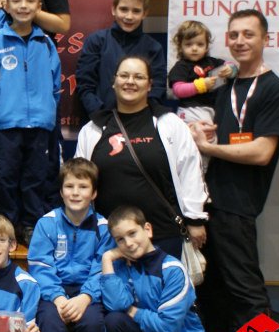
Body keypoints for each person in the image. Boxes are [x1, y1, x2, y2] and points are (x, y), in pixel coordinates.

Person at [188, 9, 279, 332]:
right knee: (212, 282)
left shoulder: (274, 89)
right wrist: (204, 131)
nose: (240, 41)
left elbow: (262, 151)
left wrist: (210, 147)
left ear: (265, 39)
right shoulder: (226, 84)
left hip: (239, 202)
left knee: (245, 286)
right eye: (233, 35)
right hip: (209, 198)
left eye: (249, 34)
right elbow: (226, 132)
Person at [74, 55, 208, 260]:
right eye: (124, 76)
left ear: (150, 85)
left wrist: (195, 219)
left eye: (138, 77)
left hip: (163, 236)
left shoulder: (169, 124)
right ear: (114, 82)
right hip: (109, 240)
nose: (130, 81)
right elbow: (79, 180)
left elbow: (190, 172)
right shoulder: (93, 129)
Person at [27, 158, 115, 332]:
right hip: (54, 292)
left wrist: (86, 297)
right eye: (69, 186)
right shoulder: (47, 223)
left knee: (92, 325)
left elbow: (103, 267)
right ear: (61, 191)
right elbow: (40, 265)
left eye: (83, 186)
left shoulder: (104, 227)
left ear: (94, 193)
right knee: (50, 325)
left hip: (89, 293)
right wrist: (57, 297)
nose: (75, 192)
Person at [0, 0, 61, 243]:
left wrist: (46, 111)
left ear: (39, 6)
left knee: (35, 176)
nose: (23, 6)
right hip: (7, 123)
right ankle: (8, 224)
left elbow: (55, 84)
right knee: (6, 176)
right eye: (16, 1)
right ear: (7, 5)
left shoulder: (45, 43)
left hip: (40, 123)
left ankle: (30, 224)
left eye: (30, 1)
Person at [75, 0, 165, 117]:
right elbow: (85, 85)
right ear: (113, 9)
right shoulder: (96, 41)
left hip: (140, 122)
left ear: (145, 13)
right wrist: (100, 115)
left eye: (136, 11)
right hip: (100, 119)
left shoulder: (153, 48)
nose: (129, 16)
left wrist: (142, 118)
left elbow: (157, 88)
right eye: (123, 9)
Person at [168, 20, 237, 172]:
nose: (194, 48)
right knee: (201, 141)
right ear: (180, 46)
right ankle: (198, 174)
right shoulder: (181, 66)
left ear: (206, 46)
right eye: (189, 44)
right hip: (191, 110)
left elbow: (232, 66)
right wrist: (200, 86)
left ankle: (201, 173)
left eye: (199, 44)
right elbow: (178, 90)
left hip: (211, 111)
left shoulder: (212, 62)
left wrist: (230, 69)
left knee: (210, 141)